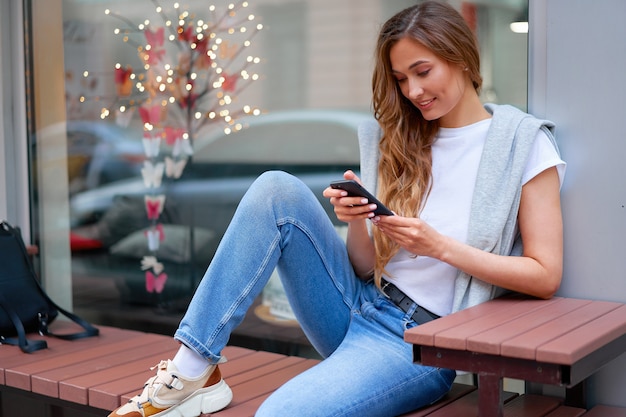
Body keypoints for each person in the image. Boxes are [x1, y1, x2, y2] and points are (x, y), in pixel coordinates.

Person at [109, 1, 565, 416]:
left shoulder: (522, 144)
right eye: (402, 79)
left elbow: (545, 275)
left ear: (462, 58)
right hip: (356, 304)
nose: (413, 91)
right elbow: (365, 268)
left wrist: (440, 247)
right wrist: (359, 224)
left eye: (423, 71)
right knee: (277, 191)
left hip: (417, 344)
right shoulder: (402, 139)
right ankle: (193, 368)